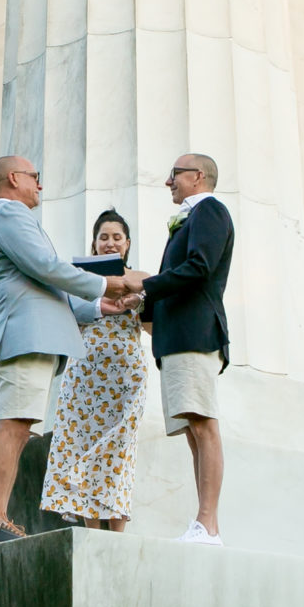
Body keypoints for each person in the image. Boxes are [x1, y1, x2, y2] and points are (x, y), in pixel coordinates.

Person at [0, 155, 141, 546]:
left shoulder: (17, 219)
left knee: (20, 427)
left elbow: (49, 287)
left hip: (35, 337)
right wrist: (106, 285)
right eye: (35, 177)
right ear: (14, 178)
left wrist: (101, 307)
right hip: (23, 334)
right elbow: (47, 267)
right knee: (12, 424)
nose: (40, 185)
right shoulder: (9, 215)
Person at [122, 153, 231, 546]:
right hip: (177, 339)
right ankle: (203, 522)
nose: (169, 181)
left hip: (195, 334)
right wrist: (143, 304)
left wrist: (145, 285)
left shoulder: (210, 210)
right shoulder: (190, 217)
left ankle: (209, 525)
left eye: (175, 174)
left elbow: (200, 267)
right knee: (192, 430)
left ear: (197, 176)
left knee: (203, 424)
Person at [41, 209, 147, 530]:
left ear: (127, 243)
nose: (110, 243)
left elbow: (153, 326)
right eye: (104, 237)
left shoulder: (141, 279)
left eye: (117, 237)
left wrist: (141, 298)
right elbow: (63, 318)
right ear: (94, 244)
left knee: (118, 453)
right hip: (84, 378)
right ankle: (92, 534)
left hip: (126, 377)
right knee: (82, 448)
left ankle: (116, 536)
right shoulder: (78, 281)